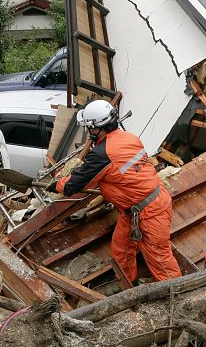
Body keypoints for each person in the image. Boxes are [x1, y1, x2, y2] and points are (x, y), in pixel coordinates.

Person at [48, 100, 182, 282]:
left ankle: (179, 295)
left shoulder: (102, 154)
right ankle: (130, 287)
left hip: (149, 213)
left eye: (90, 128)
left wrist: (57, 185)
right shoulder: (129, 137)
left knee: (160, 260)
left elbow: (74, 185)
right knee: (121, 250)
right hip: (141, 207)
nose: (89, 133)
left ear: (97, 128)